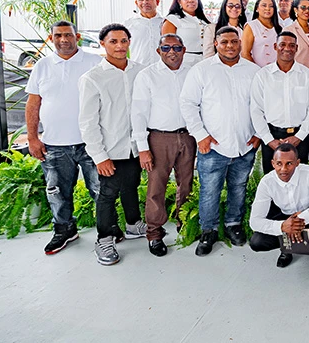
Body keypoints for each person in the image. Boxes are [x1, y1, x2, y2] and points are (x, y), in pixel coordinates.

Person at [179, 26, 261, 257]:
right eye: (224, 42)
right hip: (213, 146)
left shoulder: (253, 71)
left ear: (240, 43)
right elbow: (187, 103)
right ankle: (209, 230)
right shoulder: (202, 70)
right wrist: (200, 135)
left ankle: (234, 224)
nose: (230, 46)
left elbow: (261, 105)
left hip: (244, 144)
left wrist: (257, 134)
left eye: (234, 41)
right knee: (209, 191)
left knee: (238, 187)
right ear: (215, 43)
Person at [25, 20, 101, 255]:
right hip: (55, 144)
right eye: (58, 35)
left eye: (68, 35)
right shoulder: (42, 66)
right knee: (57, 192)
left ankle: (106, 230)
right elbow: (33, 103)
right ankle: (64, 230)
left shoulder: (95, 62)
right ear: (51, 38)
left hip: (91, 142)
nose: (63, 40)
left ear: (77, 36)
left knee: (100, 189)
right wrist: (32, 138)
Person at [78, 23, 146, 266]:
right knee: (107, 194)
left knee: (131, 186)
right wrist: (99, 156)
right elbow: (87, 121)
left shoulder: (140, 71)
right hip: (109, 149)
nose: (119, 46)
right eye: (113, 41)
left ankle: (133, 224)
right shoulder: (92, 78)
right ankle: (104, 238)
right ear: (103, 44)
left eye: (124, 41)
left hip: (135, 146)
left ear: (129, 42)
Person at [130, 33, 196, 257]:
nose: (172, 52)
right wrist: (143, 147)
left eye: (177, 48)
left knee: (186, 184)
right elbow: (138, 112)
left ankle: (185, 223)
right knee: (156, 188)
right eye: (166, 48)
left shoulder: (192, 74)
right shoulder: (147, 75)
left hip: (188, 136)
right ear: (158, 51)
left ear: (184, 50)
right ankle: (154, 233)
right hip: (159, 138)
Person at [248, 142, 309, 275]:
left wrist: (301, 218)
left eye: (289, 163)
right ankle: (287, 250)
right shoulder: (267, 182)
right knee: (257, 242)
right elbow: (254, 221)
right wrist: (283, 226)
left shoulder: (308, 173)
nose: (283, 169)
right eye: (279, 163)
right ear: (273, 163)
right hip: (285, 217)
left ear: (297, 163)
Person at [251, 31, 309, 173]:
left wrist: (299, 137)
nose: (287, 48)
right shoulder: (263, 76)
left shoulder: (307, 76)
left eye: (291, 45)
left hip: (299, 138)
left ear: (296, 48)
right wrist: (269, 140)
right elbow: (256, 110)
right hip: (272, 137)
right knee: (273, 182)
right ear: (275, 46)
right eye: (282, 44)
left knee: (300, 182)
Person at [162, 0, 211, 68]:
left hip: (206, 61)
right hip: (184, 63)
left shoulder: (206, 20)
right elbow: (167, 46)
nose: (191, 1)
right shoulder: (173, 19)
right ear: (179, 1)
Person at [242, 0, 282, 67]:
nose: (267, 8)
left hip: (277, 71)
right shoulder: (251, 26)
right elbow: (245, 54)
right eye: (264, 5)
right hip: (257, 72)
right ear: (257, 8)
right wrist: (259, 71)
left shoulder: (280, 27)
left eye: (271, 6)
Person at [125, 0, 162, 66]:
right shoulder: (128, 24)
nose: (145, 2)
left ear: (157, 2)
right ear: (136, 3)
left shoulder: (165, 23)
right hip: (137, 69)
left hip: (161, 70)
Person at [285, 0, 309, 71]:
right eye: (303, 7)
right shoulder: (289, 30)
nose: (307, 11)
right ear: (295, 10)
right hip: (298, 72)